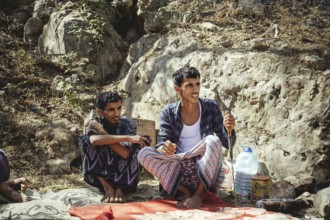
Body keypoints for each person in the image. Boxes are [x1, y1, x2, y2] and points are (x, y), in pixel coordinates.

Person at [138, 66, 236, 208]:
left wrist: (230, 130)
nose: (195, 89)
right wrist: (164, 148)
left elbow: (227, 143)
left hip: (204, 170)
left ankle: (199, 195)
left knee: (212, 140)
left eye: (197, 84)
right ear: (178, 89)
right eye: (189, 85)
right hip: (180, 172)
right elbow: (161, 143)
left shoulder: (210, 107)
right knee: (143, 153)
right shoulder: (168, 112)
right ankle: (186, 191)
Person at [79, 91, 151, 203]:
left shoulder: (128, 124)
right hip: (101, 174)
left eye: (119, 108)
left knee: (143, 142)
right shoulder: (95, 123)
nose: (117, 113)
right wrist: (126, 138)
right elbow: (93, 141)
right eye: (111, 110)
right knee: (86, 139)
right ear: (101, 112)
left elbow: (125, 153)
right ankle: (107, 188)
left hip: (123, 174)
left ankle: (120, 189)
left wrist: (103, 134)